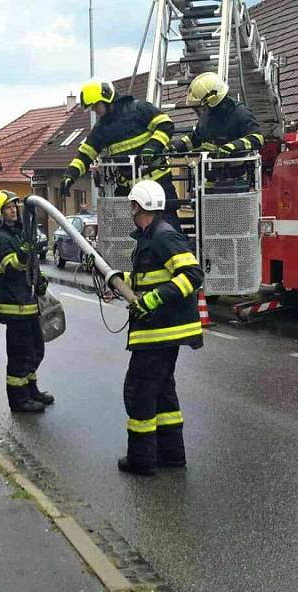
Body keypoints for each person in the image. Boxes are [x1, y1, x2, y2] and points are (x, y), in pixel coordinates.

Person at [117, 180, 204, 476]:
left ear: (138, 206)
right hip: (164, 332)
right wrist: (121, 281)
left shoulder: (163, 236)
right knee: (163, 392)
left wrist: (153, 300)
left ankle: (141, 460)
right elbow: (152, 278)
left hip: (158, 332)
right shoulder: (151, 236)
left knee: (139, 391)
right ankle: (172, 455)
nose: (130, 210)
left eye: (132, 205)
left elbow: (192, 274)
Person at [60, 79, 181, 231]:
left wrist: (152, 147)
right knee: (123, 233)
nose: (95, 110)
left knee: (169, 230)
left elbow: (166, 124)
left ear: (107, 98)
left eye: (96, 105)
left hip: (158, 184)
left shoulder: (139, 109)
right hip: (129, 191)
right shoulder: (101, 129)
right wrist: (69, 176)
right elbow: (85, 154)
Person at [0, 190, 55, 413]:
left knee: (36, 350)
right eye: (8, 207)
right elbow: (11, 268)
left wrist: (40, 278)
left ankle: (31, 390)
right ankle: (18, 400)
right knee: (19, 356)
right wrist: (25, 252)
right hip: (15, 308)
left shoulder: (18, 234)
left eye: (15, 206)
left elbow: (30, 264)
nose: (14, 210)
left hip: (29, 304)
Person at [171, 72, 263, 191]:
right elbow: (195, 138)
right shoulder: (206, 117)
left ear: (213, 98)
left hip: (235, 180)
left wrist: (232, 147)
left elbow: (257, 138)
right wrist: (176, 146)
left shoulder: (240, 113)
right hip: (210, 179)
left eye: (203, 104)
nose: (201, 109)